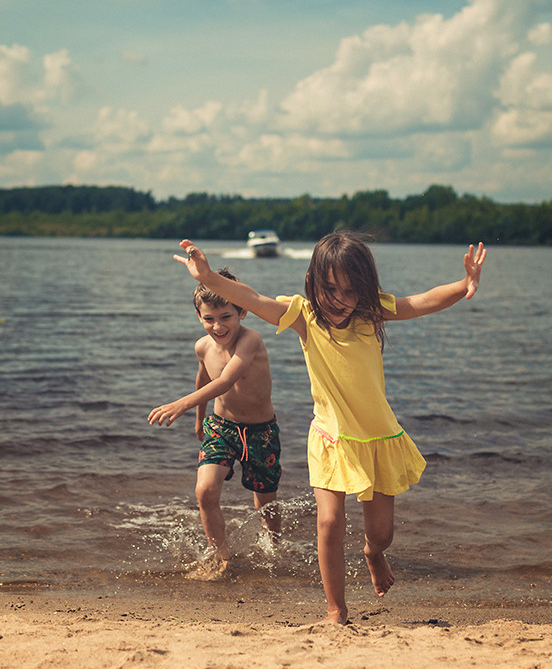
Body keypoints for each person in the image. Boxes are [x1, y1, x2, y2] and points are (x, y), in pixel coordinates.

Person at [172, 231, 486, 623]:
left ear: (365, 291)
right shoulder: (303, 316)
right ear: (312, 283)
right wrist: (207, 278)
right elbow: (251, 298)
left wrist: (465, 284)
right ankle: (336, 610)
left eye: (350, 291)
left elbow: (420, 302)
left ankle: (374, 554)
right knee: (329, 520)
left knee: (382, 534)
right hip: (330, 437)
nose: (339, 300)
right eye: (330, 289)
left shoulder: (372, 314)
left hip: (378, 438)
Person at [148, 268, 282, 576]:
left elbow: (224, 381)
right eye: (209, 319)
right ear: (198, 316)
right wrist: (199, 419)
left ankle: (274, 545)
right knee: (205, 491)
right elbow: (204, 380)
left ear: (242, 311)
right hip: (221, 427)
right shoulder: (202, 346)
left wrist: (180, 404)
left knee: (266, 504)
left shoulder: (251, 340)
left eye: (225, 317)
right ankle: (220, 557)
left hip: (260, 432)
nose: (218, 326)